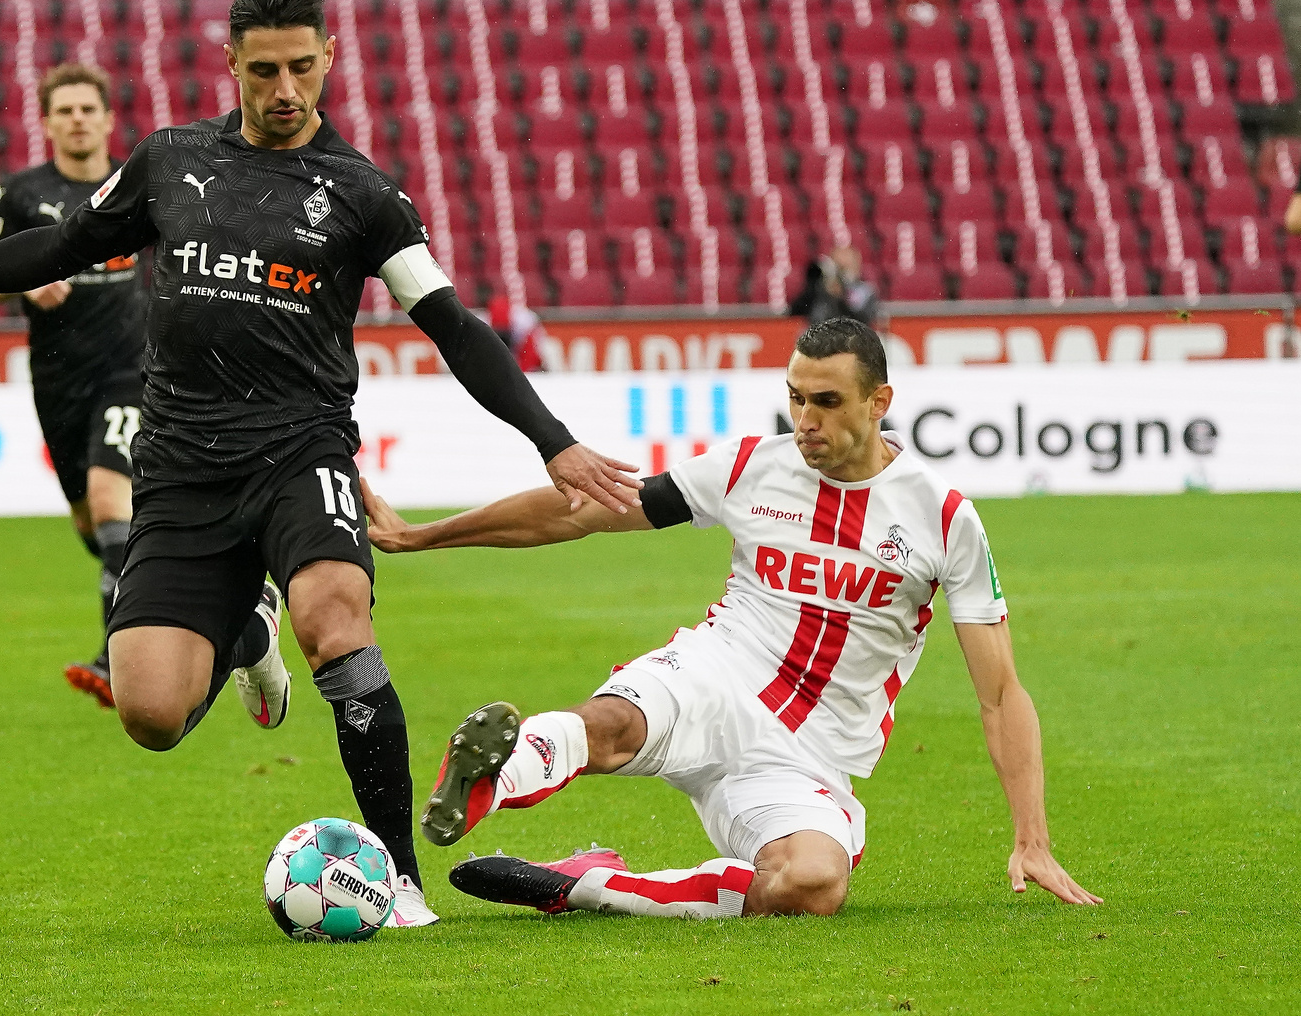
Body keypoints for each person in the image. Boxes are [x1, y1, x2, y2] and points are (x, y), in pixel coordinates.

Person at [0, 0, 641, 928]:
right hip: (181, 466)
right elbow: (60, 247)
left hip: (300, 453)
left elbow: (454, 325)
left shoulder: (364, 195)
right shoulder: (169, 161)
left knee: (338, 619)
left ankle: (398, 883)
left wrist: (550, 441)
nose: (284, 89)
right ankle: (246, 637)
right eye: (263, 69)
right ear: (230, 63)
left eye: (301, 67)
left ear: (328, 60)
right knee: (148, 714)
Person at [363, 317, 1100, 920]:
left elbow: (1000, 692)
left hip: (806, 756)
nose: (805, 420)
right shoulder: (751, 465)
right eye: (795, 398)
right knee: (609, 727)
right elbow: (584, 511)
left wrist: (1030, 837)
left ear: (879, 402)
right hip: (711, 677)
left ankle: (584, 884)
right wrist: (421, 535)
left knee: (812, 885)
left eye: (827, 402)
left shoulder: (942, 519)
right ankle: (485, 781)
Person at [0, 62, 285, 711]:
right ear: (49, 121)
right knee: (96, 527)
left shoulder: (139, 183)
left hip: (133, 371)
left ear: (107, 119)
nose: (78, 118)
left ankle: (120, 656)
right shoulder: (16, 195)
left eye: (89, 108)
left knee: (114, 505)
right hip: (58, 382)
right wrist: (22, 280)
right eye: (66, 110)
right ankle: (238, 601)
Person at [789, 245, 879, 327]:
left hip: (852, 338)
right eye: (838, 266)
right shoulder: (822, 288)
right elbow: (798, 310)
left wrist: (840, 296)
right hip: (822, 337)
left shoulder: (866, 290)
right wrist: (814, 286)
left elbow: (862, 318)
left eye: (844, 266)